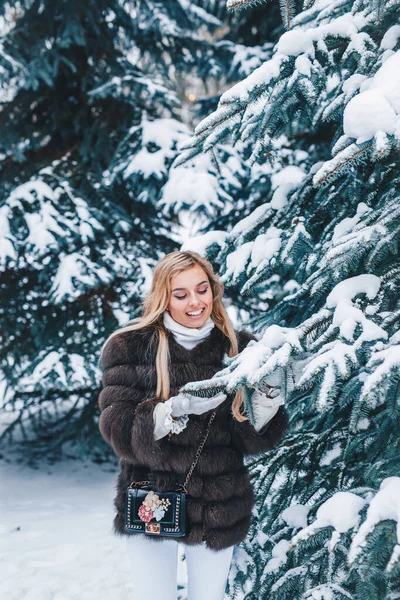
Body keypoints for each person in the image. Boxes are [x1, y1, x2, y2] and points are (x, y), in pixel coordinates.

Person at [98, 250, 288, 600]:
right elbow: (117, 426)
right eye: (180, 294)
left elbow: (253, 441)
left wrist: (267, 401)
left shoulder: (239, 348)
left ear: (213, 290)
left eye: (202, 289)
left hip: (219, 502)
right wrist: (170, 411)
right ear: (162, 298)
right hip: (151, 496)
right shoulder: (130, 346)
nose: (195, 302)